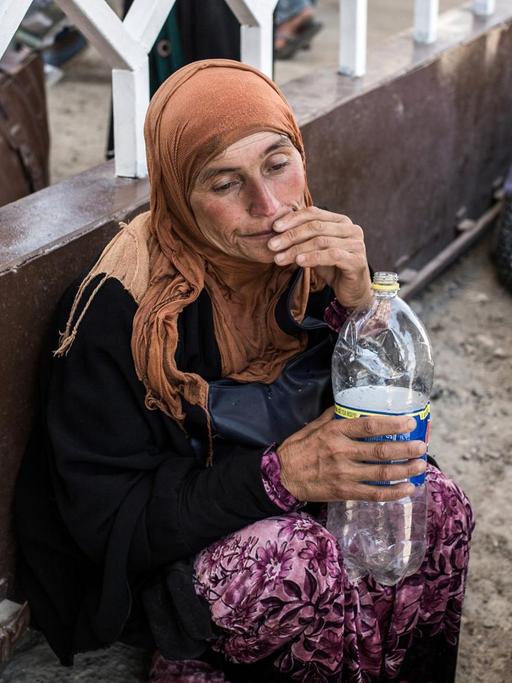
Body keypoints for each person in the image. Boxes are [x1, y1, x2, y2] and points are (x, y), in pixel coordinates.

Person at [15, 59, 474, 683]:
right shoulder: (120, 311)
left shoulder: (310, 262)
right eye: (224, 183)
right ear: (179, 191)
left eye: (278, 164)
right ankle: (191, 663)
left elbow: (383, 415)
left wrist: (361, 304)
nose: (269, 205)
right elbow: (107, 523)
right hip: (168, 562)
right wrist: (279, 474)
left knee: (436, 501)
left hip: (275, 502)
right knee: (295, 556)